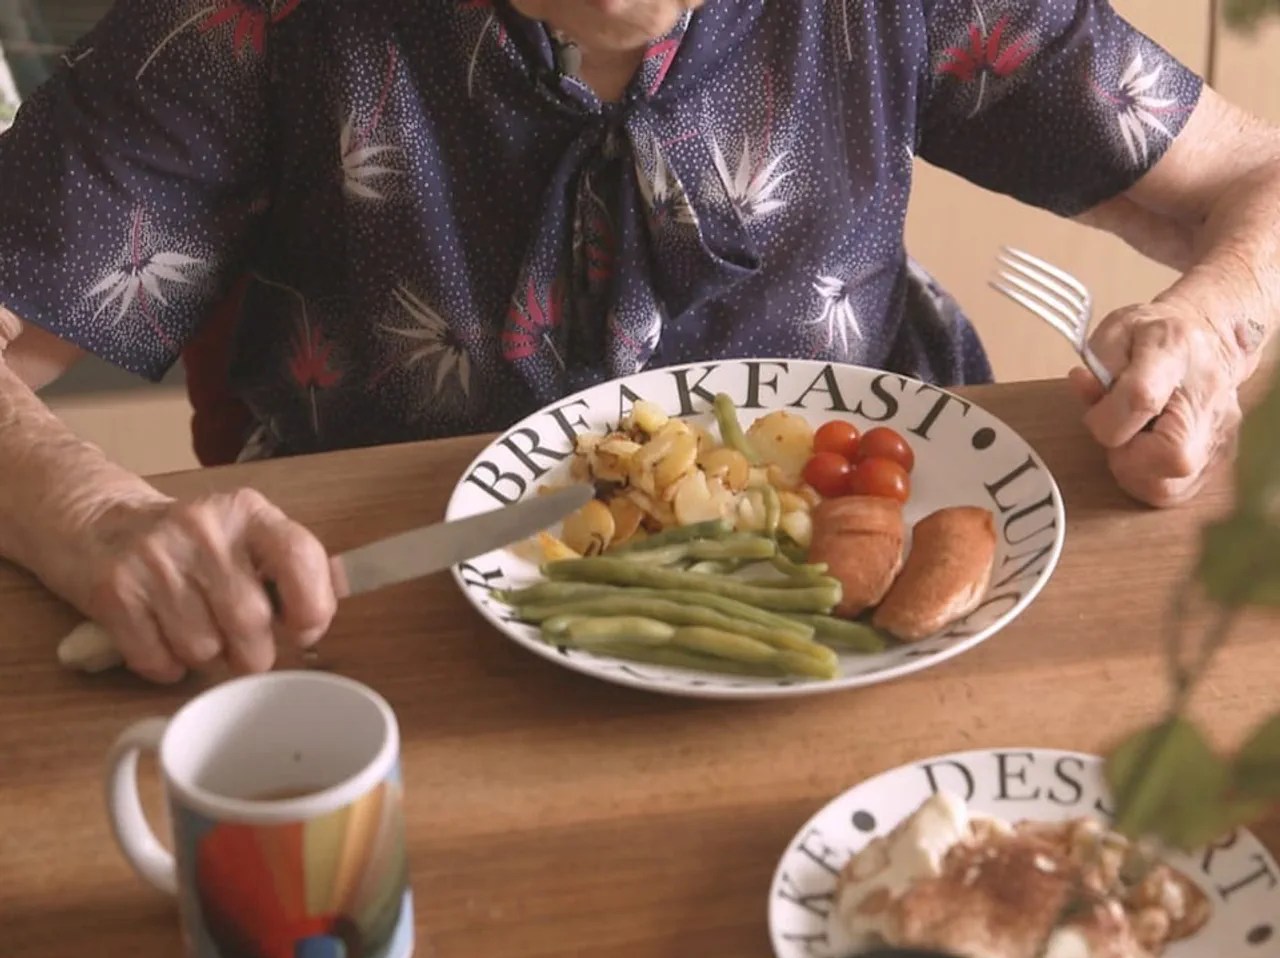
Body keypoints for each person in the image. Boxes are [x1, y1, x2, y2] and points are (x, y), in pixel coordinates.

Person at [0, 0, 1276, 682]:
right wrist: (98, 519)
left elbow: (1256, 177)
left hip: (892, 625)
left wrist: (1207, 331)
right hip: (390, 648)